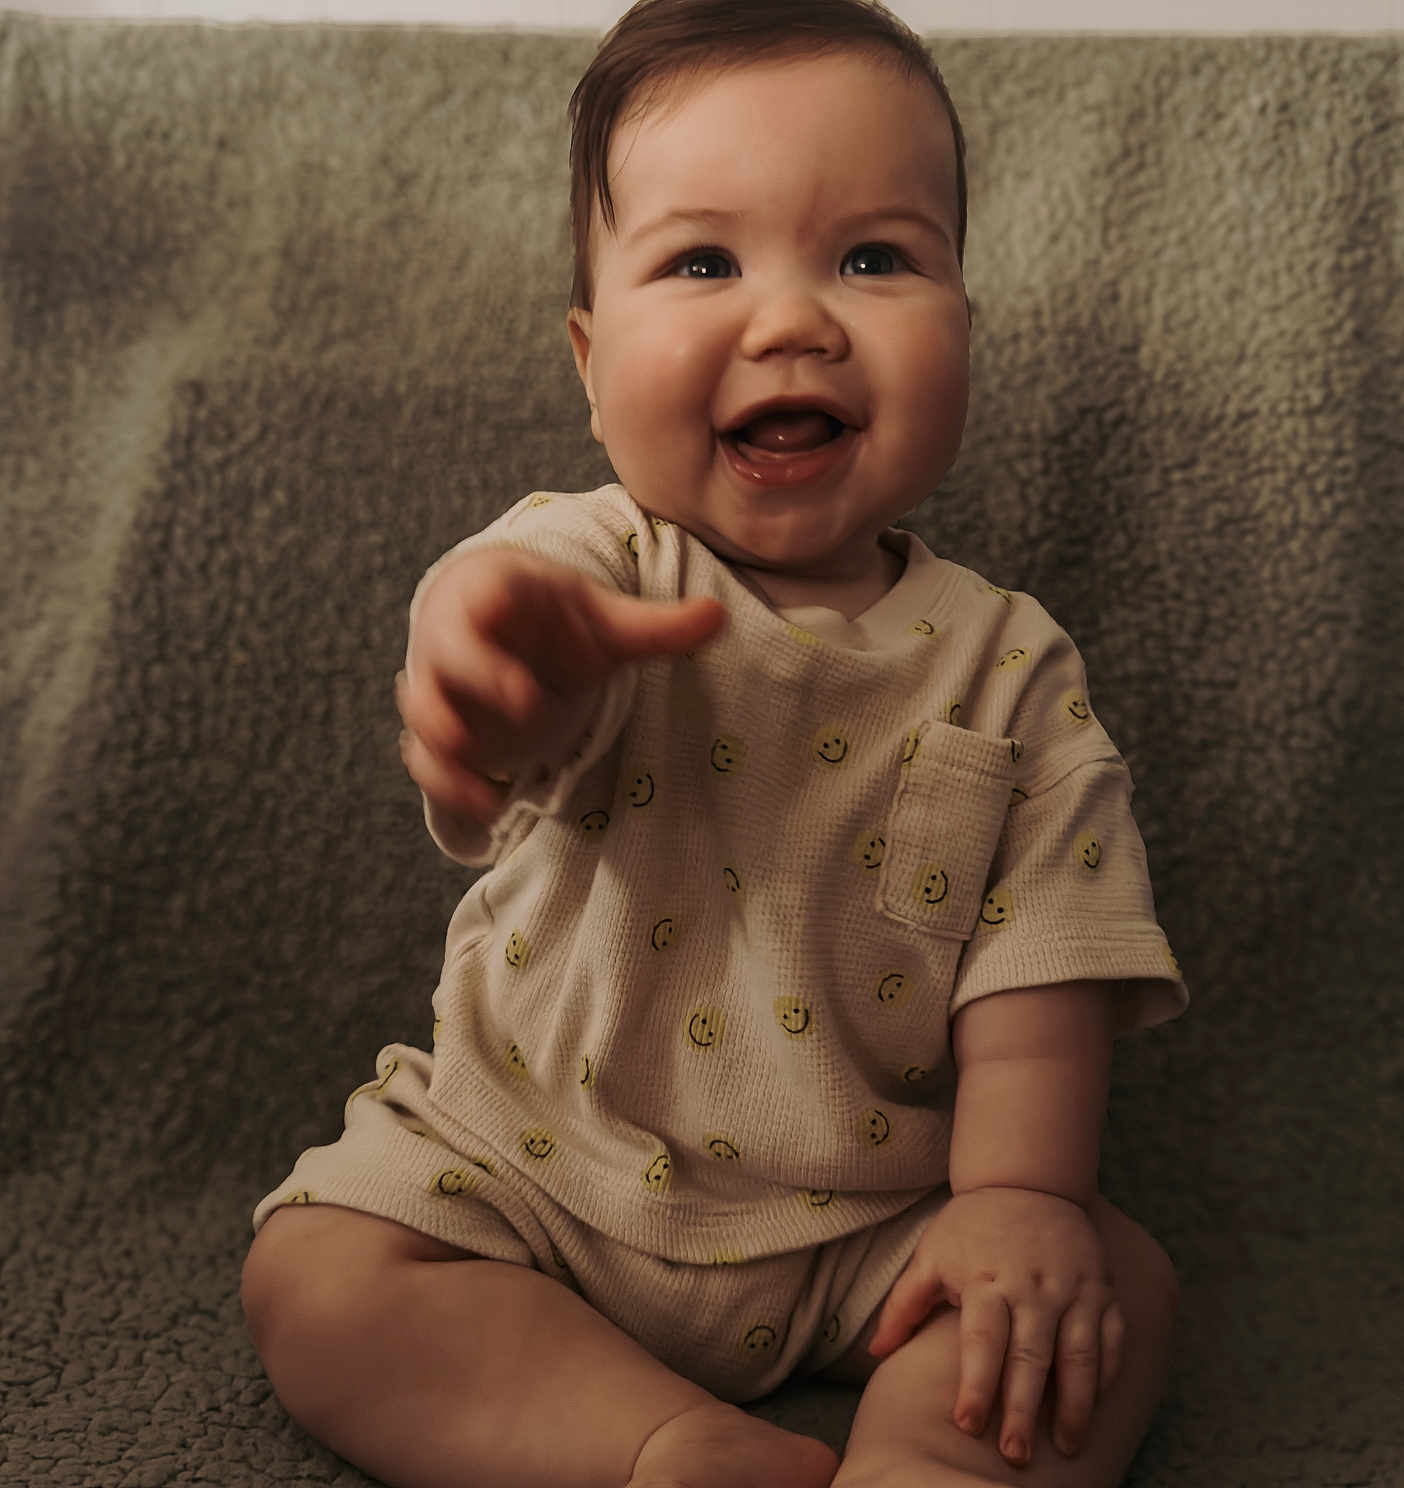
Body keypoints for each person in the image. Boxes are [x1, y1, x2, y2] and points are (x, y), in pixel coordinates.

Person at [240, 2, 1189, 1484]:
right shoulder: (600, 571)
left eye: (875, 258)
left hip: (877, 1220)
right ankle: (661, 1450)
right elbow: (511, 613)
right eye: (702, 262)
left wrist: (1014, 1194)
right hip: (533, 1176)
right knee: (317, 1274)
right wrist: (497, 670)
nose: (797, 317)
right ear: (590, 359)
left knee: (1102, 1286)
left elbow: (1040, 961)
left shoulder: (1009, 663)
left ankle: (924, 1467)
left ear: (965, 326)